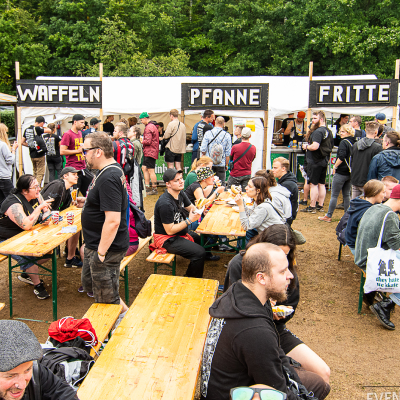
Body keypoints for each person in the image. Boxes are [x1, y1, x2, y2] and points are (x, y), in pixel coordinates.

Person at [200, 243, 330, 400]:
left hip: (237, 384)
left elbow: (277, 354)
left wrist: (294, 380)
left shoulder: (238, 293)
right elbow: (278, 390)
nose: (290, 276)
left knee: (318, 383)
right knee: (318, 386)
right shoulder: (254, 330)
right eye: (283, 271)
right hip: (234, 394)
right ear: (261, 278)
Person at [223, 225, 330, 384]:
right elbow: (233, 303)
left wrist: (279, 314)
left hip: (275, 329)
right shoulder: (240, 263)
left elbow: (291, 303)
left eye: (285, 255)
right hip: (250, 332)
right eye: (276, 252)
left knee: (323, 373)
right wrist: (265, 308)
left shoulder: (287, 270)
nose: (281, 260)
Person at [79, 132, 129, 319]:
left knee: (108, 300)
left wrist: (101, 253)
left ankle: (125, 327)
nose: (83, 155)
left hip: (106, 248)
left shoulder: (109, 176)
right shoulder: (108, 171)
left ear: (98, 151)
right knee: (96, 288)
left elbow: (113, 220)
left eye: (85, 151)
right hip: (98, 245)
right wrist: (89, 202)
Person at [153, 168, 217, 278]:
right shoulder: (165, 204)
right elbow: (169, 230)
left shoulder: (180, 193)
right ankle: (190, 278)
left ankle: (199, 262)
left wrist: (200, 211)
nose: (181, 181)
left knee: (203, 241)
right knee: (200, 252)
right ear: (168, 184)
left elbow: (192, 208)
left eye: (181, 178)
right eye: (176, 180)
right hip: (167, 239)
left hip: (179, 232)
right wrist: (189, 220)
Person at [355, 184, 400, 330]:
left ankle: (374, 296)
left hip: (363, 255)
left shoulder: (375, 208)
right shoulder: (390, 215)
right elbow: (396, 244)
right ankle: (387, 304)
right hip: (372, 262)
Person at [0, 174, 53, 299]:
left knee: (49, 250)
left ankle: (27, 273)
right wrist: (39, 209)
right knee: (26, 256)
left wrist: (46, 216)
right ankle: (38, 285)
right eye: (35, 187)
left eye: (38, 186)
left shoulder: (35, 194)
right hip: (5, 239)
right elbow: (26, 225)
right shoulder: (13, 204)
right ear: (24, 191)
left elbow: (47, 210)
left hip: (22, 236)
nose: (39, 189)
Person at [0, 320, 79, 400]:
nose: (22, 385)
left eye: (27, 370)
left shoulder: (36, 371)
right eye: (10, 376)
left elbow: (60, 391)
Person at [41, 166, 83, 268]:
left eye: (77, 175)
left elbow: (64, 210)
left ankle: (70, 250)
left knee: (75, 225)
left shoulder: (68, 189)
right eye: (73, 174)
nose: (76, 177)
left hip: (53, 220)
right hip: (42, 222)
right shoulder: (57, 185)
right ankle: (70, 258)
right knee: (74, 227)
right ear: (65, 176)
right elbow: (43, 204)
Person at [318, 124, 356, 222]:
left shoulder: (344, 142)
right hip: (350, 172)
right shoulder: (354, 142)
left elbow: (341, 157)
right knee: (346, 195)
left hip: (341, 172)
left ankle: (328, 216)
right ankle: (347, 217)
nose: (340, 133)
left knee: (334, 195)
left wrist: (334, 167)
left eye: (342, 131)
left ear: (348, 132)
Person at [234, 177, 284, 243]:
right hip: (267, 234)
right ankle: (241, 248)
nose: (246, 188)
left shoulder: (263, 207)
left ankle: (244, 249)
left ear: (258, 190)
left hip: (273, 240)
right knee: (247, 232)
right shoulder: (259, 201)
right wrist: (242, 202)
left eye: (249, 186)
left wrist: (240, 206)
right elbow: (249, 215)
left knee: (246, 231)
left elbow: (246, 226)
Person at [301, 111, 333, 213]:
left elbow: (315, 146)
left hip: (315, 161)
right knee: (321, 184)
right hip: (324, 160)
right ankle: (320, 206)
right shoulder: (328, 131)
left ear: (321, 119)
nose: (313, 121)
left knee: (314, 184)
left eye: (315, 118)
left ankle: (312, 207)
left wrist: (306, 146)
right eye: (312, 118)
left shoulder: (318, 132)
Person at [345, 180, 385, 256]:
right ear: (375, 192)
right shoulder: (367, 212)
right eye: (383, 192)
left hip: (353, 242)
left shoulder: (359, 202)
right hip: (358, 247)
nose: (384, 195)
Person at [60, 114, 94, 197]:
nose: (83, 125)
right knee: (73, 195)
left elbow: (79, 148)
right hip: (73, 168)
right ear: (75, 122)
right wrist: (77, 151)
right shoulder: (67, 134)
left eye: (84, 123)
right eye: (81, 122)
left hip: (82, 167)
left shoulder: (79, 133)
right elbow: (62, 151)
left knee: (91, 190)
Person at [350, 121, 382, 198]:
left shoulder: (356, 145)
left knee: (354, 203)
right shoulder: (377, 147)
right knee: (367, 203)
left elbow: (352, 161)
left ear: (365, 130)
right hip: (368, 182)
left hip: (356, 178)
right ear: (376, 132)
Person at [200, 116, 232, 184]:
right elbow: (228, 153)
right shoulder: (227, 135)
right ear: (223, 124)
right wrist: (226, 165)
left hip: (209, 163)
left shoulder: (208, 133)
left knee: (207, 183)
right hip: (221, 163)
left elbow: (203, 149)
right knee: (221, 184)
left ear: (215, 123)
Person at [21, 116, 51, 186]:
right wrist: (43, 127)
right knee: (40, 173)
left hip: (32, 154)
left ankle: (32, 185)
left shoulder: (27, 129)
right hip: (40, 154)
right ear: (42, 123)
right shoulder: (37, 129)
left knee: (35, 172)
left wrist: (31, 145)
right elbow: (49, 130)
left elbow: (22, 142)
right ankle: (36, 187)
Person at [226, 127, 256, 192]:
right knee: (246, 193)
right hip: (247, 173)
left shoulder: (235, 147)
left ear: (241, 135)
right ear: (250, 136)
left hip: (235, 173)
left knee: (230, 192)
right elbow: (252, 159)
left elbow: (231, 158)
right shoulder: (253, 148)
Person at [272, 157, 299, 225]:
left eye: (275, 168)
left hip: (284, 219)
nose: (272, 170)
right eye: (273, 168)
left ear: (283, 169)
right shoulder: (285, 180)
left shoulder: (287, 185)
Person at [140, 112, 159, 195]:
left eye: (141, 120)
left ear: (145, 118)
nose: (141, 122)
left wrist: (141, 141)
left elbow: (148, 141)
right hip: (150, 151)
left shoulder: (149, 127)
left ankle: (154, 189)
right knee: (144, 168)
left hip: (150, 151)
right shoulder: (153, 126)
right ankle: (147, 187)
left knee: (151, 170)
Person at [0, 123, 18, 203]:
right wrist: (13, 150)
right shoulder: (2, 145)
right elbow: (10, 160)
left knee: (1, 201)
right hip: (4, 177)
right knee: (12, 200)